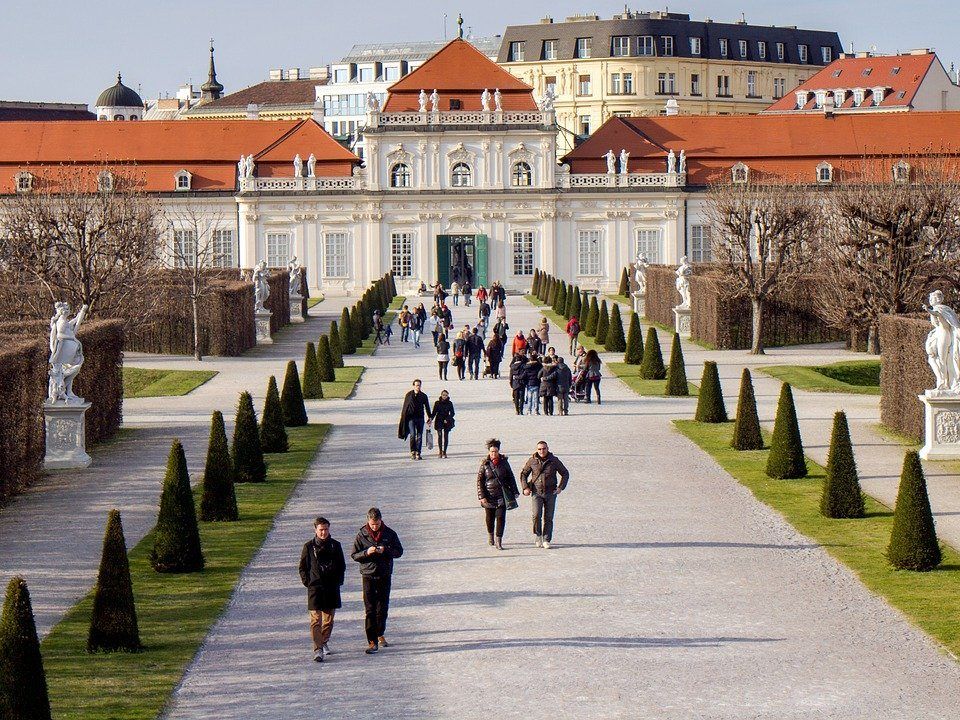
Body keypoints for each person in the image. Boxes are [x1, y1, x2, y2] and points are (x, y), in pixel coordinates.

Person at [351, 508, 404, 654]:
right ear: (368, 521)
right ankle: (372, 641)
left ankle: (380, 632)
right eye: (373, 524)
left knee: (382, 608)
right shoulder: (361, 534)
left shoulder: (389, 533)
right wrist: (366, 553)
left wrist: (385, 550)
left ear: (381, 520)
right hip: (368, 575)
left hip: (384, 574)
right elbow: (354, 555)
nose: (375, 526)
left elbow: (399, 551)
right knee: (370, 609)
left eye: (377, 523)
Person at [299, 516, 346, 662]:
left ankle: (324, 640)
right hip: (315, 588)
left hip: (331, 587)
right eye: (321, 530)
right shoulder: (308, 547)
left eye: (326, 529)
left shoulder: (335, 545)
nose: (323, 533)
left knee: (328, 620)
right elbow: (302, 567)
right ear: (315, 530)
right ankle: (318, 648)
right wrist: (309, 582)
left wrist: (338, 581)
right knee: (315, 620)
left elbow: (342, 566)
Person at [519, 441, 570, 549]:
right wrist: (525, 487)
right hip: (536, 492)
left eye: (544, 449)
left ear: (547, 449)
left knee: (548, 517)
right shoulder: (532, 460)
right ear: (537, 450)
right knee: (536, 515)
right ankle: (538, 535)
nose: (542, 451)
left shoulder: (554, 460)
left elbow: (565, 473)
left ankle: (547, 539)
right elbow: (523, 473)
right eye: (540, 449)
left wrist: (560, 487)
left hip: (550, 492)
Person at [476, 439, 520, 550]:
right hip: (489, 496)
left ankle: (498, 541)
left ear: (498, 451)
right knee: (489, 519)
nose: (493, 454)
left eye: (495, 451)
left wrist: (515, 491)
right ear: (489, 452)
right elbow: (480, 481)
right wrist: (482, 497)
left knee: (501, 518)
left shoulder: (504, 463)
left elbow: (511, 477)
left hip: (502, 495)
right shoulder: (485, 464)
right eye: (491, 452)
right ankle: (490, 535)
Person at [398, 379, 432, 459]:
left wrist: (430, 417)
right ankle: (413, 451)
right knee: (413, 434)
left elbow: (427, 407)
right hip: (411, 418)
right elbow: (405, 407)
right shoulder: (409, 395)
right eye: (417, 385)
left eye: (419, 385)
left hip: (420, 418)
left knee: (419, 435)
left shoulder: (423, 396)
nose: (418, 387)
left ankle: (418, 453)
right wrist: (403, 418)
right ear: (413, 386)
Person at [431, 389, 455, 458]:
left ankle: (445, 451)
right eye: (443, 395)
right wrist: (430, 419)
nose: (445, 396)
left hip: (447, 421)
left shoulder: (450, 403)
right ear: (441, 395)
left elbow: (452, 413)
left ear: (448, 396)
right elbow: (434, 412)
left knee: (446, 436)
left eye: (446, 395)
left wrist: (447, 419)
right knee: (440, 436)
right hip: (439, 420)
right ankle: (440, 451)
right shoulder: (437, 403)